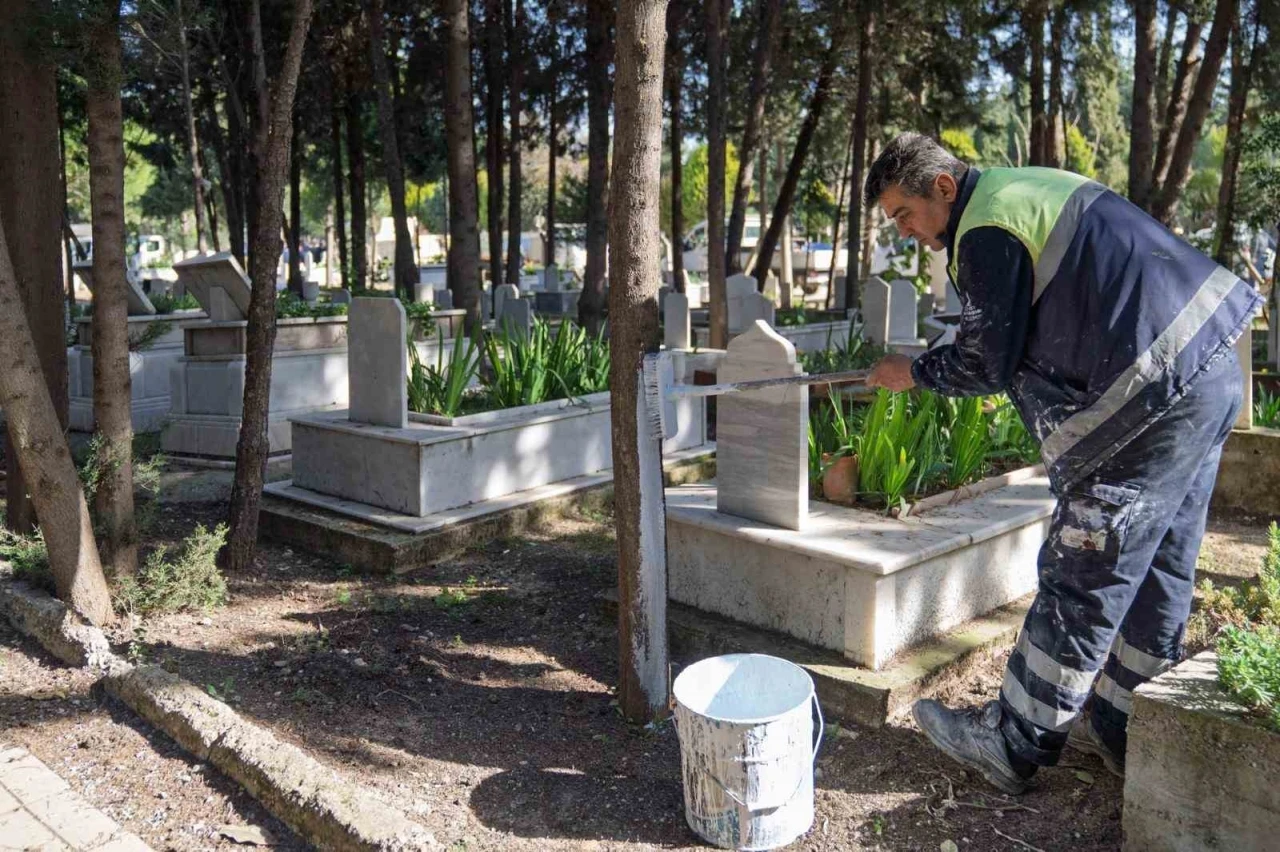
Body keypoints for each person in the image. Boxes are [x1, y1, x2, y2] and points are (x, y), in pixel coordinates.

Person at [863, 133, 1263, 794]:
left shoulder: (985, 226)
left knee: (1088, 559)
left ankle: (1013, 738)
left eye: (904, 214)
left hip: (1151, 388)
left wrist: (913, 371)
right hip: (1205, 364)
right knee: (1161, 557)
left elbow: (985, 359)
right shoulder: (1017, 191)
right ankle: (1126, 722)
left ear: (941, 188)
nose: (905, 231)